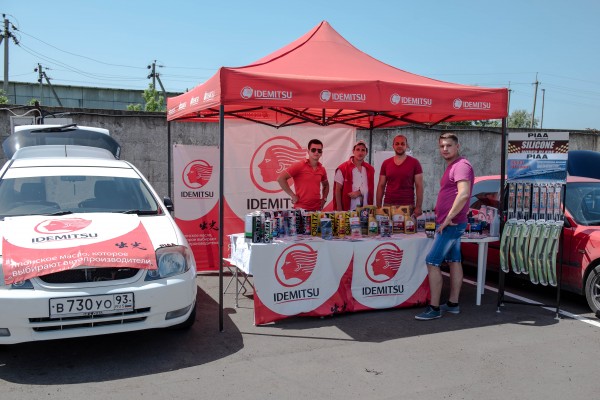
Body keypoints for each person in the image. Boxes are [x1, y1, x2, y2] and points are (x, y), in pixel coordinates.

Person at [415, 133, 474, 321]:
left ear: (457, 146)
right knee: (454, 261)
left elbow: (463, 194)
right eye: (442, 146)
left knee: (432, 262)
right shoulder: (453, 165)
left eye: (448, 145)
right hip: (452, 223)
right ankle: (453, 304)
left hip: (451, 224)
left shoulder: (461, 165)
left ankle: (434, 308)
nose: (445, 149)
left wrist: (448, 218)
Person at [376, 135, 424, 217]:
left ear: (406, 146)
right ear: (393, 146)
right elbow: (381, 185)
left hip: (407, 207)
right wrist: (378, 206)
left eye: (402, 144)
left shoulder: (415, 163)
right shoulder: (386, 163)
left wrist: (418, 207)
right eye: (397, 144)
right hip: (388, 206)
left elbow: (419, 186)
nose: (400, 146)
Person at [277, 139, 329, 211]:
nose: (316, 152)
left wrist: (324, 199)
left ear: (321, 153)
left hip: (317, 210)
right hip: (301, 209)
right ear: (308, 151)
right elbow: (280, 179)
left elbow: (326, 185)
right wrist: (292, 195)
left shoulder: (322, 169)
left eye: (319, 150)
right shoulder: (299, 165)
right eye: (313, 150)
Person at [333, 140, 375, 211]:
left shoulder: (370, 169)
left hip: (365, 210)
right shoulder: (343, 168)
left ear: (366, 152)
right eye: (358, 149)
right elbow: (337, 190)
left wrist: (360, 192)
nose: (360, 153)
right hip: (348, 210)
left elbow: (371, 188)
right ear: (353, 151)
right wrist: (339, 209)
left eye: (363, 150)